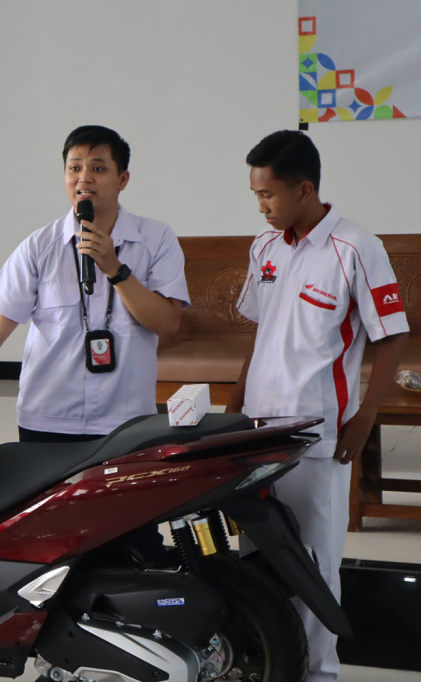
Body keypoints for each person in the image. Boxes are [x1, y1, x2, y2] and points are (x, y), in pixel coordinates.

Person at [226, 130, 409, 682]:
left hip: (315, 435)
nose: (260, 205)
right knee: (256, 557)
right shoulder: (265, 247)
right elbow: (260, 336)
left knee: (313, 565)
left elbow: (392, 335)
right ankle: (268, 659)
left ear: (305, 189)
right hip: (256, 431)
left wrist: (364, 419)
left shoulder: (355, 247)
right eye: (255, 194)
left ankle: (318, 673)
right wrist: (233, 413)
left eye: (269, 195)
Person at [0, 125, 189, 441]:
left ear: (123, 179)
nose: (84, 177)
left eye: (98, 168)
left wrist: (116, 269)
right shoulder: (40, 246)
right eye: (75, 167)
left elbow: (167, 324)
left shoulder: (156, 239)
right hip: (49, 418)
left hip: (126, 418)